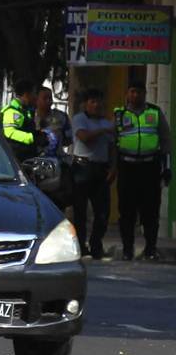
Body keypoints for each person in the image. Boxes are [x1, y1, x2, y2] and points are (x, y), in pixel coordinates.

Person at [114, 80, 172, 260]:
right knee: (127, 211)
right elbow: (112, 140)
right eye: (132, 92)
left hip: (150, 167)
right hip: (127, 167)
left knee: (151, 211)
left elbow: (166, 141)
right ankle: (127, 250)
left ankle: (150, 249)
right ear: (127, 94)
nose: (135, 95)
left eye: (139, 92)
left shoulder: (154, 112)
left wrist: (167, 167)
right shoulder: (119, 114)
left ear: (144, 94)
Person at [71, 88, 116, 259]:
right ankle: (80, 246)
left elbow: (112, 147)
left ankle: (96, 244)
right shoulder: (79, 119)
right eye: (92, 102)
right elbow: (84, 137)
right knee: (80, 212)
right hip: (82, 168)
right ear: (86, 104)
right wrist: (104, 131)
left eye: (99, 101)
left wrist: (113, 168)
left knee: (102, 212)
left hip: (101, 169)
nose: (97, 105)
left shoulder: (107, 122)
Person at [0, 79, 48, 162]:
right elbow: (10, 132)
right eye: (34, 93)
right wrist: (32, 138)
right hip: (13, 160)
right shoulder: (12, 111)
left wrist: (39, 135)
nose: (36, 97)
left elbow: (25, 129)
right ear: (26, 95)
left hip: (26, 158)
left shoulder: (25, 111)